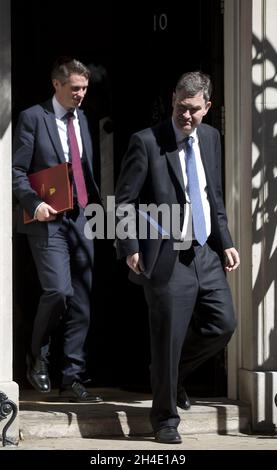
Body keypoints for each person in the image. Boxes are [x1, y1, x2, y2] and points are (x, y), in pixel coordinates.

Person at [115, 71, 240, 443]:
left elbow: (211, 195)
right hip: (166, 256)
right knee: (168, 337)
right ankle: (165, 420)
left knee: (224, 324)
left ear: (208, 107)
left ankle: (173, 377)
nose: (187, 117)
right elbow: (123, 201)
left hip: (205, 251)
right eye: (181, 108)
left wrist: (226, 241)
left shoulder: (212, 138)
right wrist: (131, 246)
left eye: (194, 111)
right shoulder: (146, 142)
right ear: (172, 100)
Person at [12, 57, 103, 403]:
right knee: (59, 291)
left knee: (81, 302)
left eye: (84, 89)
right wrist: (34, 203)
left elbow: (87, 169)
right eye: (75, 88)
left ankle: (73, 378)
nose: (81, 95)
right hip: (46, 217)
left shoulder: (83, 118)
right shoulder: (33, 118)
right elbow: (17, 170)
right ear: (57, 85)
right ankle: (37, 354)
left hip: (81, 217)